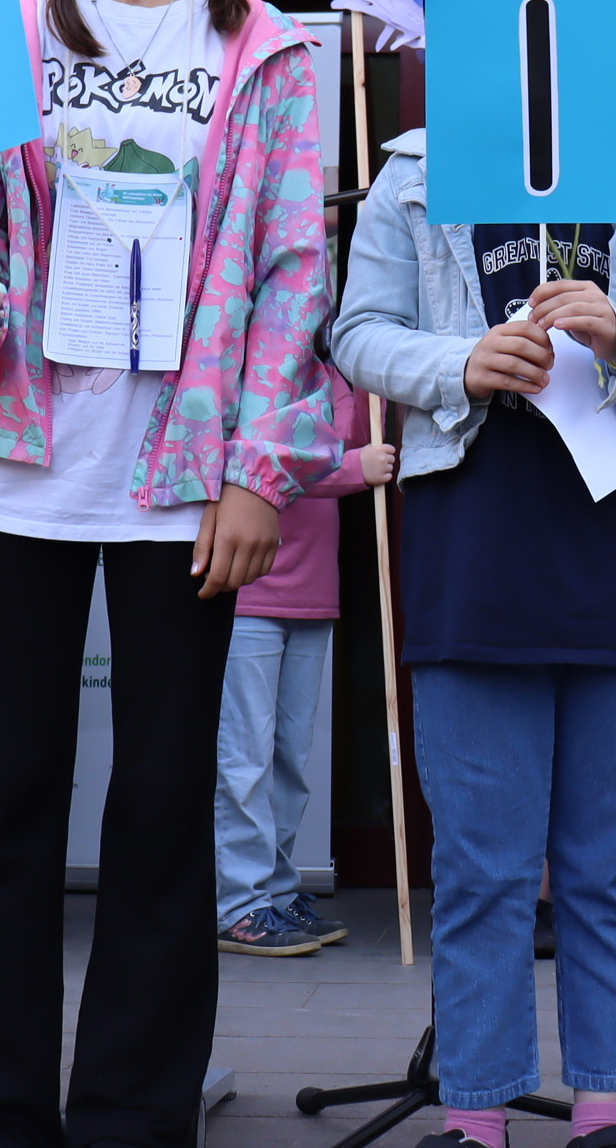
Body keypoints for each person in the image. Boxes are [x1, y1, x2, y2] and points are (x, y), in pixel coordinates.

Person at [0, 0, 338, 1148]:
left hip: (188, 485)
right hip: (21, 466)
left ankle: (138, 1115)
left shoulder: (265, 46)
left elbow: (292, 273)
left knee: (160, 812)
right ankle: (4, 1114)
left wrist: (260, 471)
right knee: (13, 809)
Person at [329, 0, 616, 1148]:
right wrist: (461, 360)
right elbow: (359, 329)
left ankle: (604, 1104)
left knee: (608, 864)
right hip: (474, 536)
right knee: (487, 862)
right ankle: (478, 1110)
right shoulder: (411, 172)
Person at [213, 392, 393, 956]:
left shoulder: (344, 368)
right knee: (245, 759)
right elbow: (245, 459)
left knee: (290, 757)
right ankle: (237, 904)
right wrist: (351, 470)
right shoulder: (255, 362)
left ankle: (277, 891)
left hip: (314, 592)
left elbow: (375, 440)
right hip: (249, 587)